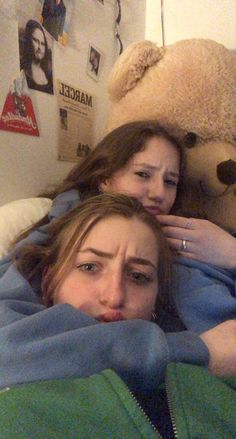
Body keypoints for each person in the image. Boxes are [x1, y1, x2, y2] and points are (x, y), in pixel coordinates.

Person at [1, 121, 235, 386]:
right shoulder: (64, 232)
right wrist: (192, 350)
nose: (159, 193)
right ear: (105, 178)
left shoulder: (198, 231)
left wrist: (231, 253)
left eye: (170, 181)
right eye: (143, 175)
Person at [20, 20, 53, 94]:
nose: (39, 47)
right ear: (29, 40)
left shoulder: (49, 74)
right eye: (35, 40)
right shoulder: (22, 70)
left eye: (43, 44)